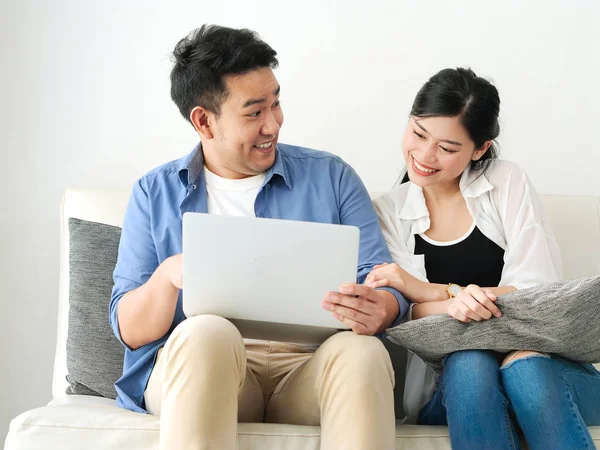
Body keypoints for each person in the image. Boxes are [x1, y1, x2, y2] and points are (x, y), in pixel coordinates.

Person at [109, 24, 408, 450]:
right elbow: (131, 330)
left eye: (276, 103)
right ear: (204, 121)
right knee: (207, 332)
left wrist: (384, 306)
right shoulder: (154, 193)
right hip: (208, 366)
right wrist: (167, 276)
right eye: (254, 112)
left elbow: (382, 280)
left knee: (364, 354)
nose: (273, 124)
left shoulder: (332, 177)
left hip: (307, 370)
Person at [367, 67, 600, 449]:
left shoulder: (507, 182)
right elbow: (408, 318)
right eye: (418, 133)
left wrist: (437, 294)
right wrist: (445, 301)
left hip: (544, 371)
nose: (425, 155)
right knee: (470, 361)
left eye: (447, 147)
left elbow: (539, 295)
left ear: (480, 149)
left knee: (525, 365)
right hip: (449, 387)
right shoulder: (387, 211)